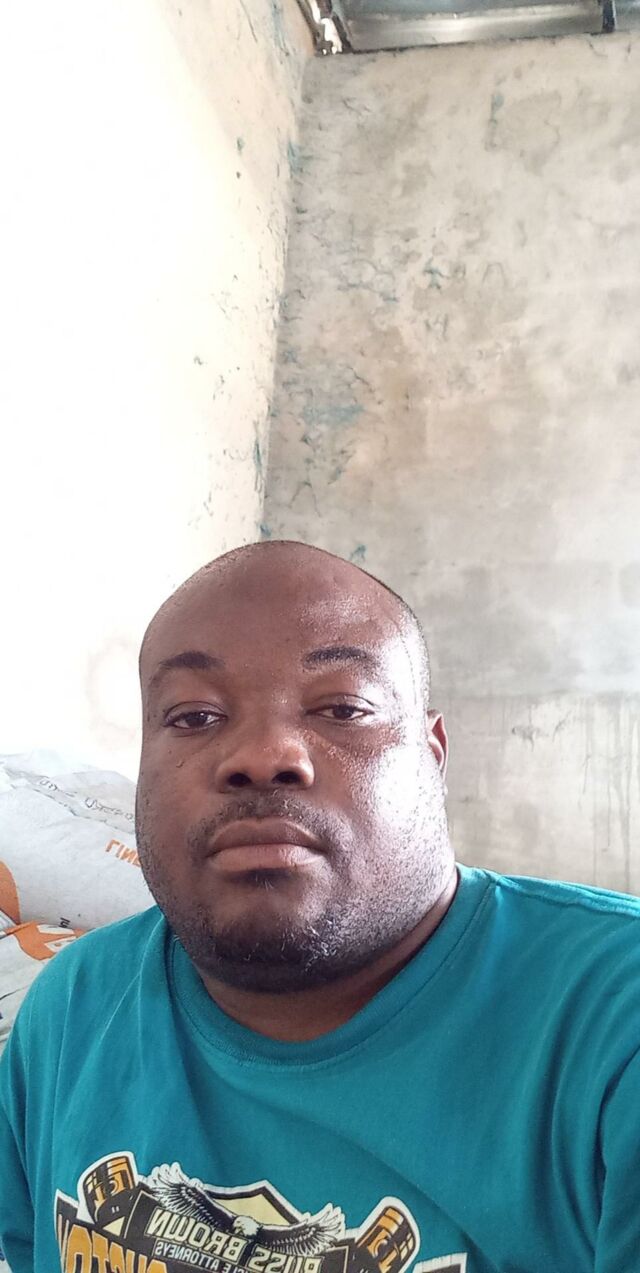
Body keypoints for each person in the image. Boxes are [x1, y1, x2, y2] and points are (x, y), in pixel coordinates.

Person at [0, 540, 639, 1273]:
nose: (263, 754)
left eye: (343, 707)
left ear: (433, 756)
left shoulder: (612, 1028)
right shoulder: (75, 1008)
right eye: (194, 716)